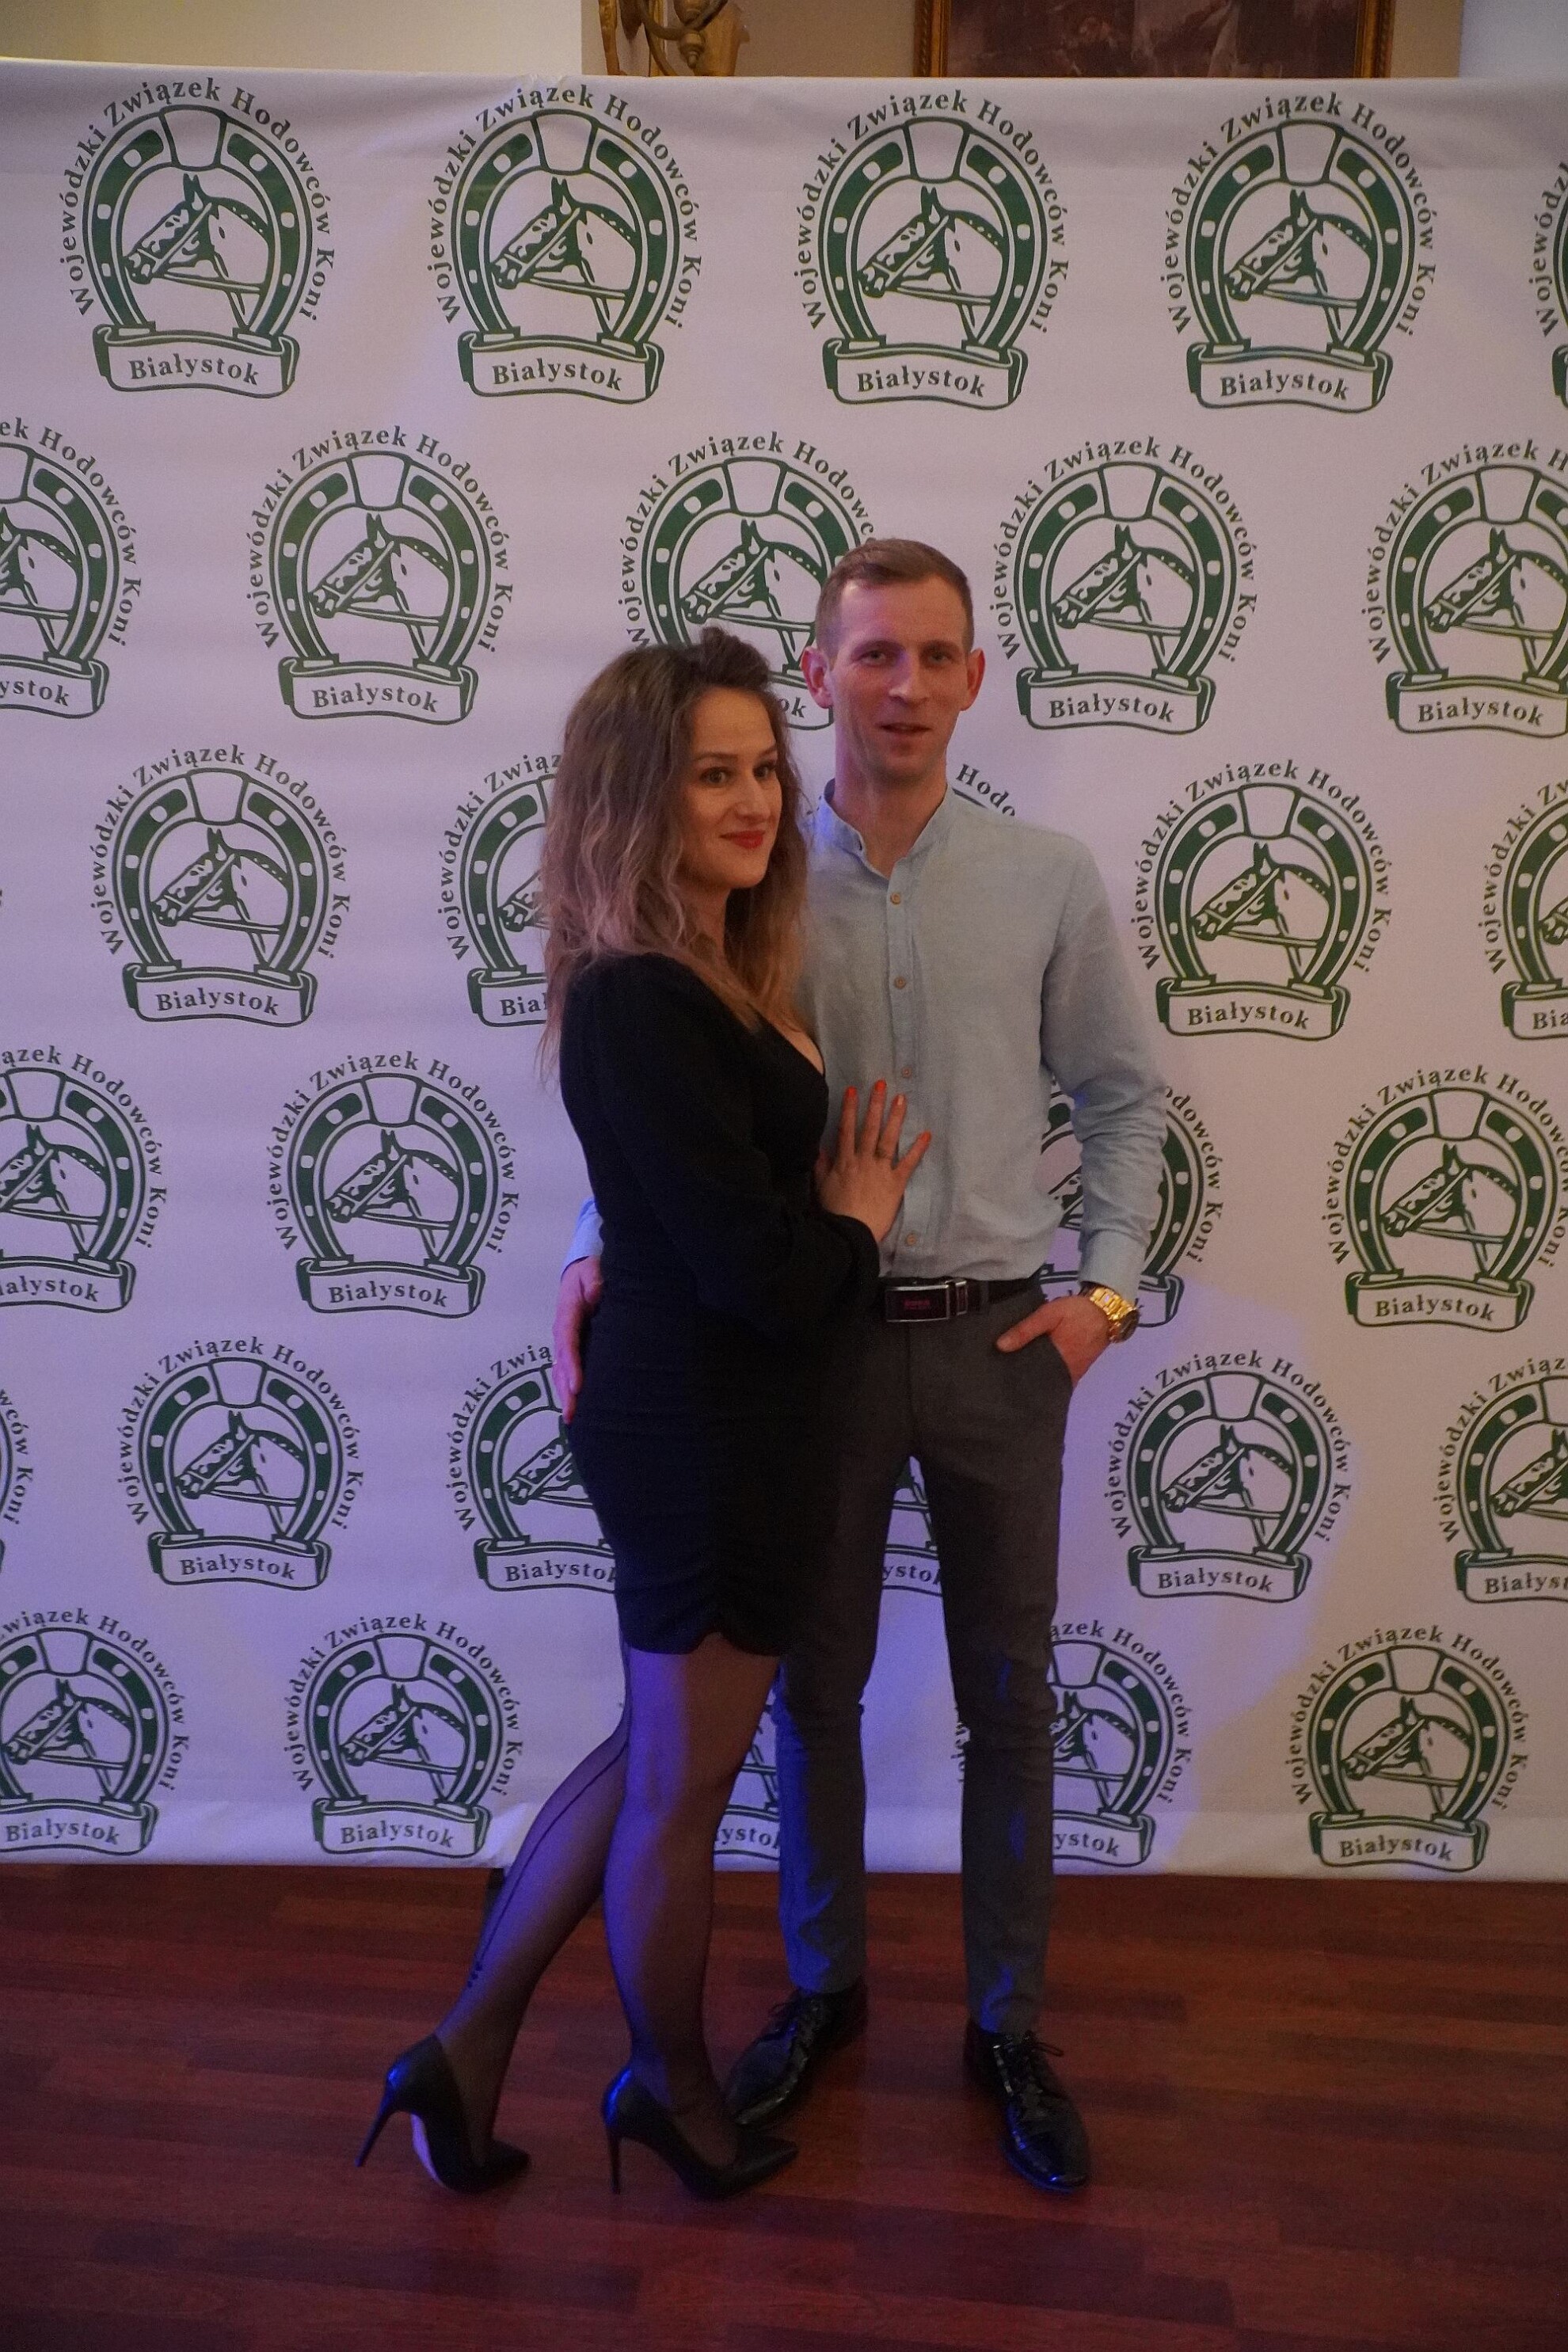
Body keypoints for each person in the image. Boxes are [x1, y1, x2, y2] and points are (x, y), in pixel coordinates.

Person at [554, 540, 1166, 2196]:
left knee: (1010, 1698)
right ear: (819, 673)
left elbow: (1124, 1096)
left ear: (975, 679)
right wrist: (591, 1249)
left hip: (998, 1341)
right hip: (797, 1358)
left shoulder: (1046, 878)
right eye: (873, 654)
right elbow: (670, 1102)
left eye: (936, 655)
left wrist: (1108, 1296)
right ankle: (823, 1989)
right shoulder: (747, 874)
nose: (905, 685)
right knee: (811, 1694)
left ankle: (1007, 2025)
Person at [356, 626, 927, 2200]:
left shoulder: (708, 971)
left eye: (763, 769)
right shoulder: (641, 1000)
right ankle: (670, 2090)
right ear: (633, 797)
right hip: (705, 1429)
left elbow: (697, 1218)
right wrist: (860, 1220)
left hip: (725, 1413)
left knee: (654, 1752)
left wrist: (813, 1227)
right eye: (709, 774)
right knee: (681, 1787)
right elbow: (757, 1272)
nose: (754, 800)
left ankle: (463, 2053)